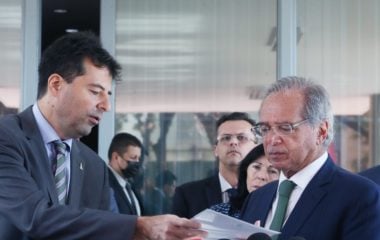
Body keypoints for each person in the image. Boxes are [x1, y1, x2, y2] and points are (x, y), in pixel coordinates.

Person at [0, 31, 206, 240]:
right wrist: (140, 226)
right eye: (95, 91)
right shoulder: (6, 138)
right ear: (56, 85)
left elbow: (104, 233)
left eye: (108, 95)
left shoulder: (94, 166)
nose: (105, 106)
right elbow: (35, 218)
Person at [240, 76, 380, 240]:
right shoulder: (257, 198)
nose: (272, 139)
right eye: (265, 129)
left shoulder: (360, 195)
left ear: (321, 131)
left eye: (285, 128)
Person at [172, 112, 257, 218]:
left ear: (255, 148)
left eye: (241, 137)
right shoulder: (187, 194)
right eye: (226, 138)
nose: (233, 142)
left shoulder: (265, 192)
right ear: (215, 149)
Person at [210, 144, 279, 218]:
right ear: (245, 171)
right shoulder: (219, 213)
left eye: (272, 171)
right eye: (256, 167)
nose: (261, 176)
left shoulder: (282, 217)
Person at [108, 132, 144, 215]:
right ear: (116, 157)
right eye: (133, 158)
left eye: (138, 158)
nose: (137, 163)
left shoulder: (130, 185)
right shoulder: (104, 183)